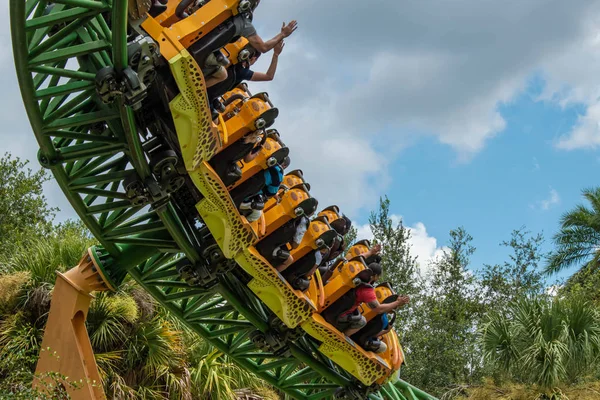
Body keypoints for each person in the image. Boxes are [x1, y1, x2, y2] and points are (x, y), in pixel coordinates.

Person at [206, 0, 298, 88]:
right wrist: (281, 38)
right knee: (222, 75)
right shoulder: (243, 24)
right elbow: (268, 74)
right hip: (207, 55)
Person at [324, 263, 409, 337]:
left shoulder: (353, 274)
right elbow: (378, 309)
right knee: (362, 321)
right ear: (375, 276)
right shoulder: (367, 290)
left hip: (329, 305)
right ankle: (342, 337)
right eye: (378, 277)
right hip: (338, 315)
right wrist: (398, 302)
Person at [207, 40, 285, 102]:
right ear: (253, 59)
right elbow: (269, 76)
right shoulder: (241, 71)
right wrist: (276, 54)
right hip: (207, 94)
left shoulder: (221, 50)